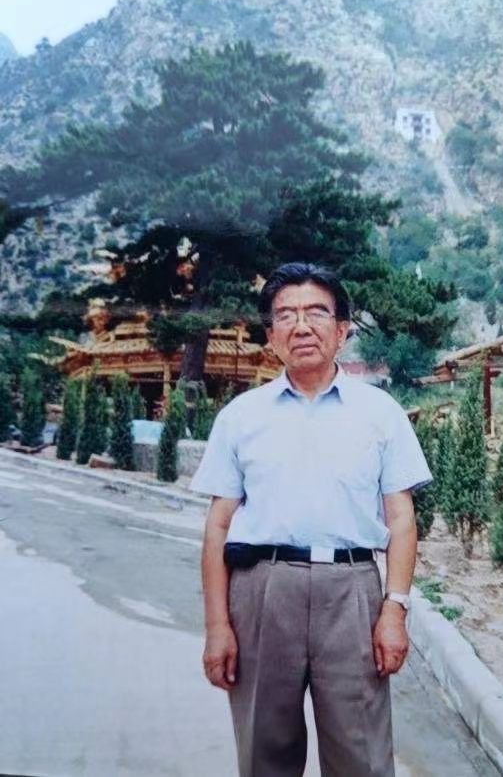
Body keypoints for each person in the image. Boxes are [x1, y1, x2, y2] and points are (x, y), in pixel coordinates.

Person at [189, 262, 432, 777]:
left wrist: (395, 609)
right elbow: (218, 526)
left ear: (342, 330)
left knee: (362, 755)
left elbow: (401, 519)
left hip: (352, 593)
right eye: (286, 315)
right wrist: (217, 626)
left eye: (316, 313)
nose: (301, 326)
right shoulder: (241, 417)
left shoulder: (380, 413)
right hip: (262, 592)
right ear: (271, 335)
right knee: (264, 753)